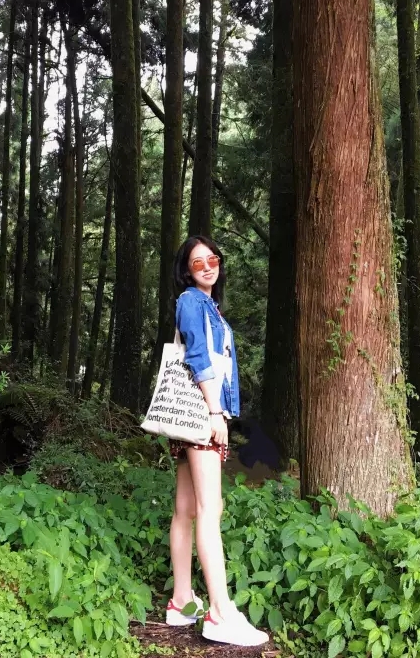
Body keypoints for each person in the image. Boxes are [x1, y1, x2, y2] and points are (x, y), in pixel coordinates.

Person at [164, 235, 269, 648]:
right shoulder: (192, 301)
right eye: (197, 262)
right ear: (186, 270)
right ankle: (220, 613)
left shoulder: (208, 305)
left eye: (213, 259)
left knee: (187, 508)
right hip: (200, 413)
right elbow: (199, 358)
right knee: (212, 508)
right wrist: (214, 412)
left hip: (187, 415)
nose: (207, 266)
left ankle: (181, 601)